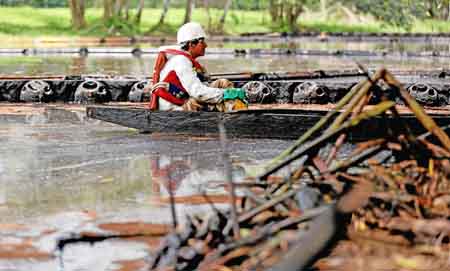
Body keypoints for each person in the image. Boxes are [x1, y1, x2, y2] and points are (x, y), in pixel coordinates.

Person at [149, 22, 247, 111]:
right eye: (202, 42)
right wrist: (225, 94)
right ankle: (236, 112)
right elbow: (198, 93)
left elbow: (201, 86)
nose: (206, 45)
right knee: (219, 101)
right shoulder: (181, 61)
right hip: (176, 107)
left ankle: (237, 106)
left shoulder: (184, 59)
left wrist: (226, 91)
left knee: (223, 83)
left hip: (184, 97)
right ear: (191, 44)